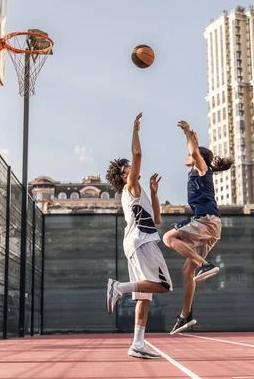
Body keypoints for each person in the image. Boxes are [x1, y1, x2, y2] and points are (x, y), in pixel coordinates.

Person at [105, 112, 172, 359]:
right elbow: (138, 154)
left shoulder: (138, 191)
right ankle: (118, 287)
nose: (132, 168)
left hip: (137, 240)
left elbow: (156, 220)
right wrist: (135, 130)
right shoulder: (130, 186)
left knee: (144, 297)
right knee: (164, 285)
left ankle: (138, 344)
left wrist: (154, 193)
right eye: (127, 168)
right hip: (143, 242)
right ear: (124, 176)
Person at [162, 120, 234, 335]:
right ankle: (185, 315)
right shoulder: (200, 171)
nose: (186, 157)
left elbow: (195, 153)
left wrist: (186, 134)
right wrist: (192, 136)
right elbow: (196, 150)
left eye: (190, 155)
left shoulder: (202, 170)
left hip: (205, 221)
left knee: (168, 238)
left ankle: (205, 265)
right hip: (211, 226)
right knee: (186, 271)